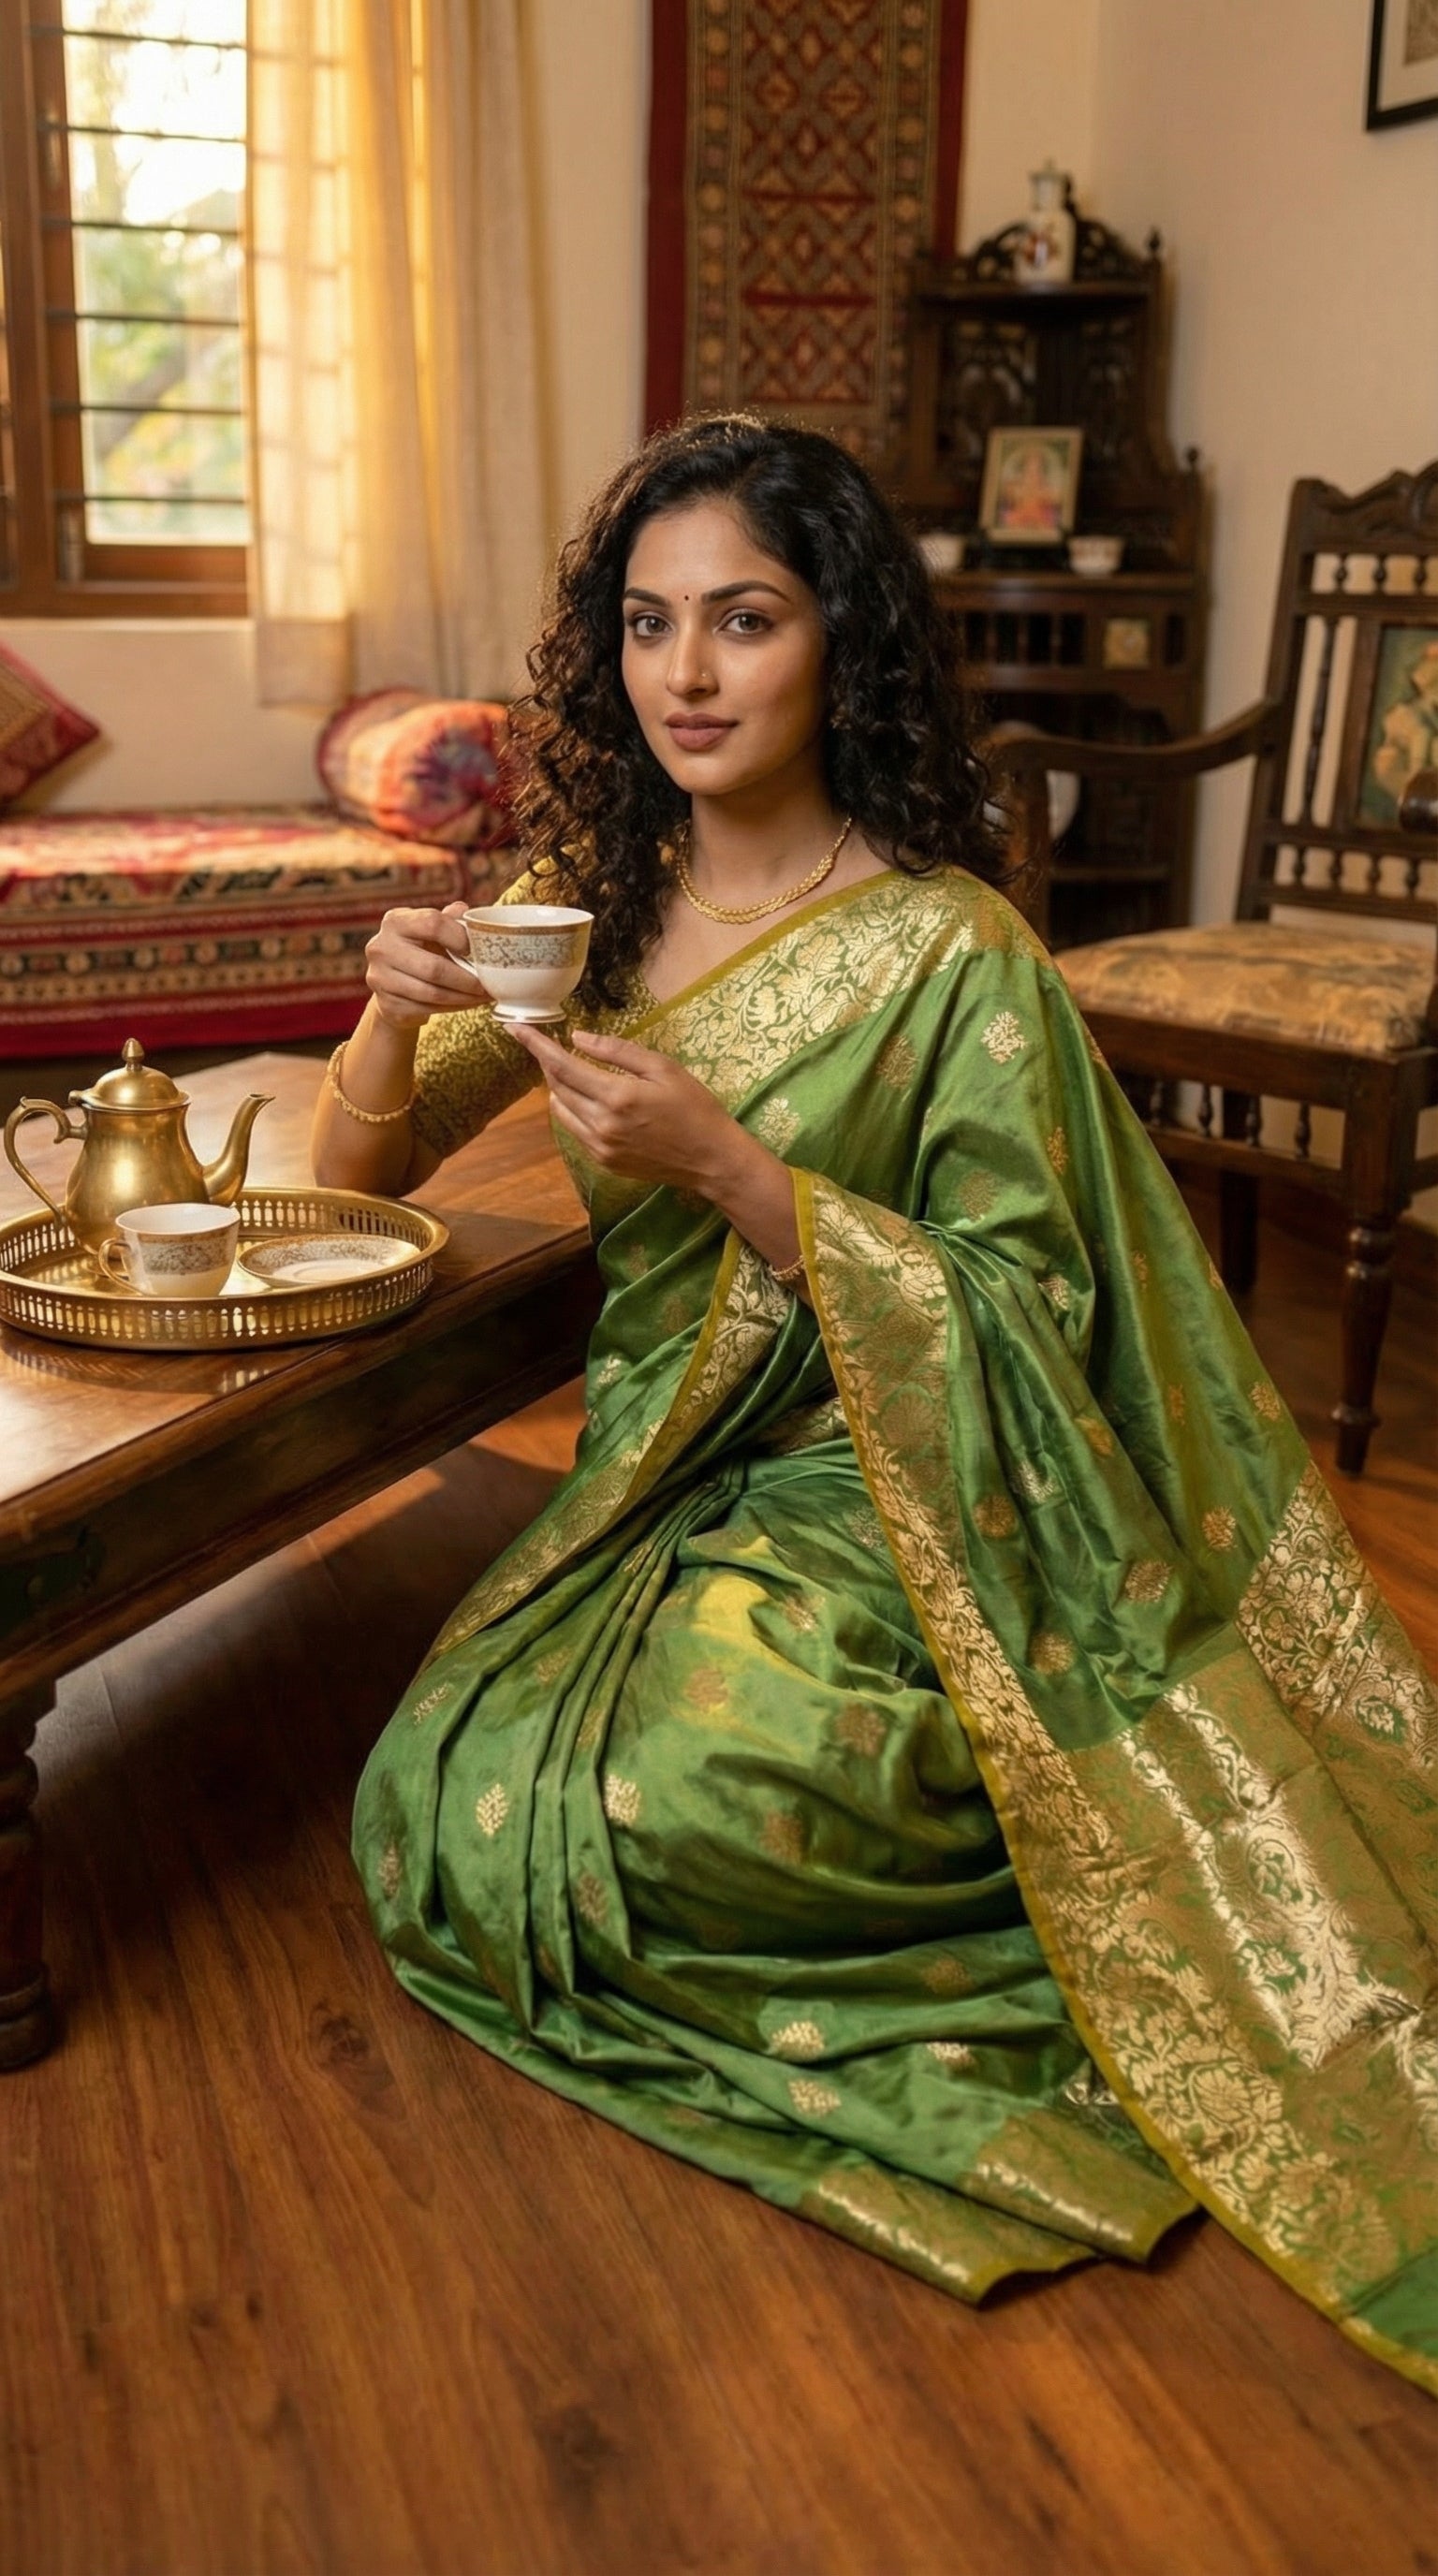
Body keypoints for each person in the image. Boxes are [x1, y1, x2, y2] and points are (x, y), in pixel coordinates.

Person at [313, 415, 1437, 2397]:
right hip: (666, 1474)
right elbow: (363, 1182)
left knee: (705, 1794)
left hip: (891, 1469)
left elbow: (1034, 1305)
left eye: (743, 619)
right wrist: (394, 1009)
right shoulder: (587, 898)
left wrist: (739, 1169)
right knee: (436, 1797)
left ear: (841, 641)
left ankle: (1072, 1868)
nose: (688, 673)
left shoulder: (951, 948)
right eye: (650, 623)